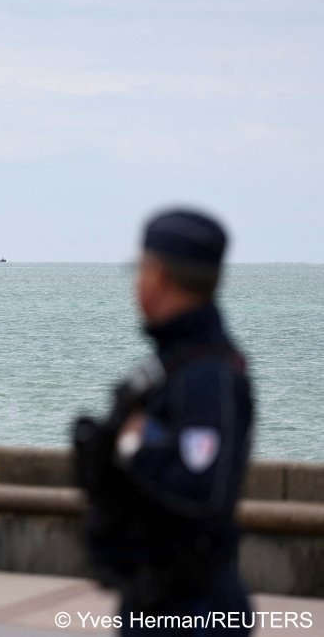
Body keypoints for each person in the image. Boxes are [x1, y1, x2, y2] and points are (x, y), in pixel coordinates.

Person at [74, 209, 255, 636]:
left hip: (194, 611)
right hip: (156, 598)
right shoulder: (173, 366)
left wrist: (133, 446)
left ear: (158, 277)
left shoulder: (207, 376)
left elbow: (199, 488)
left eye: (141, 270)